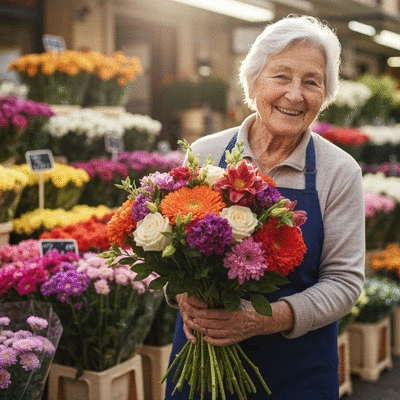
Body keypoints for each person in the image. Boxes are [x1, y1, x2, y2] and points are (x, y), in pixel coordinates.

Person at [165, 15, 365, 400]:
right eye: (281, 77)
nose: (295, 94)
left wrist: (261, 320)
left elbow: (344, 283)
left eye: (311, 82)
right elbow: (170, 248)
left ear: (325, 95)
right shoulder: (205, 153)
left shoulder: (338, 171)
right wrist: (182, 295)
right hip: (201, 364)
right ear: (253, 82)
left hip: (296, 372)